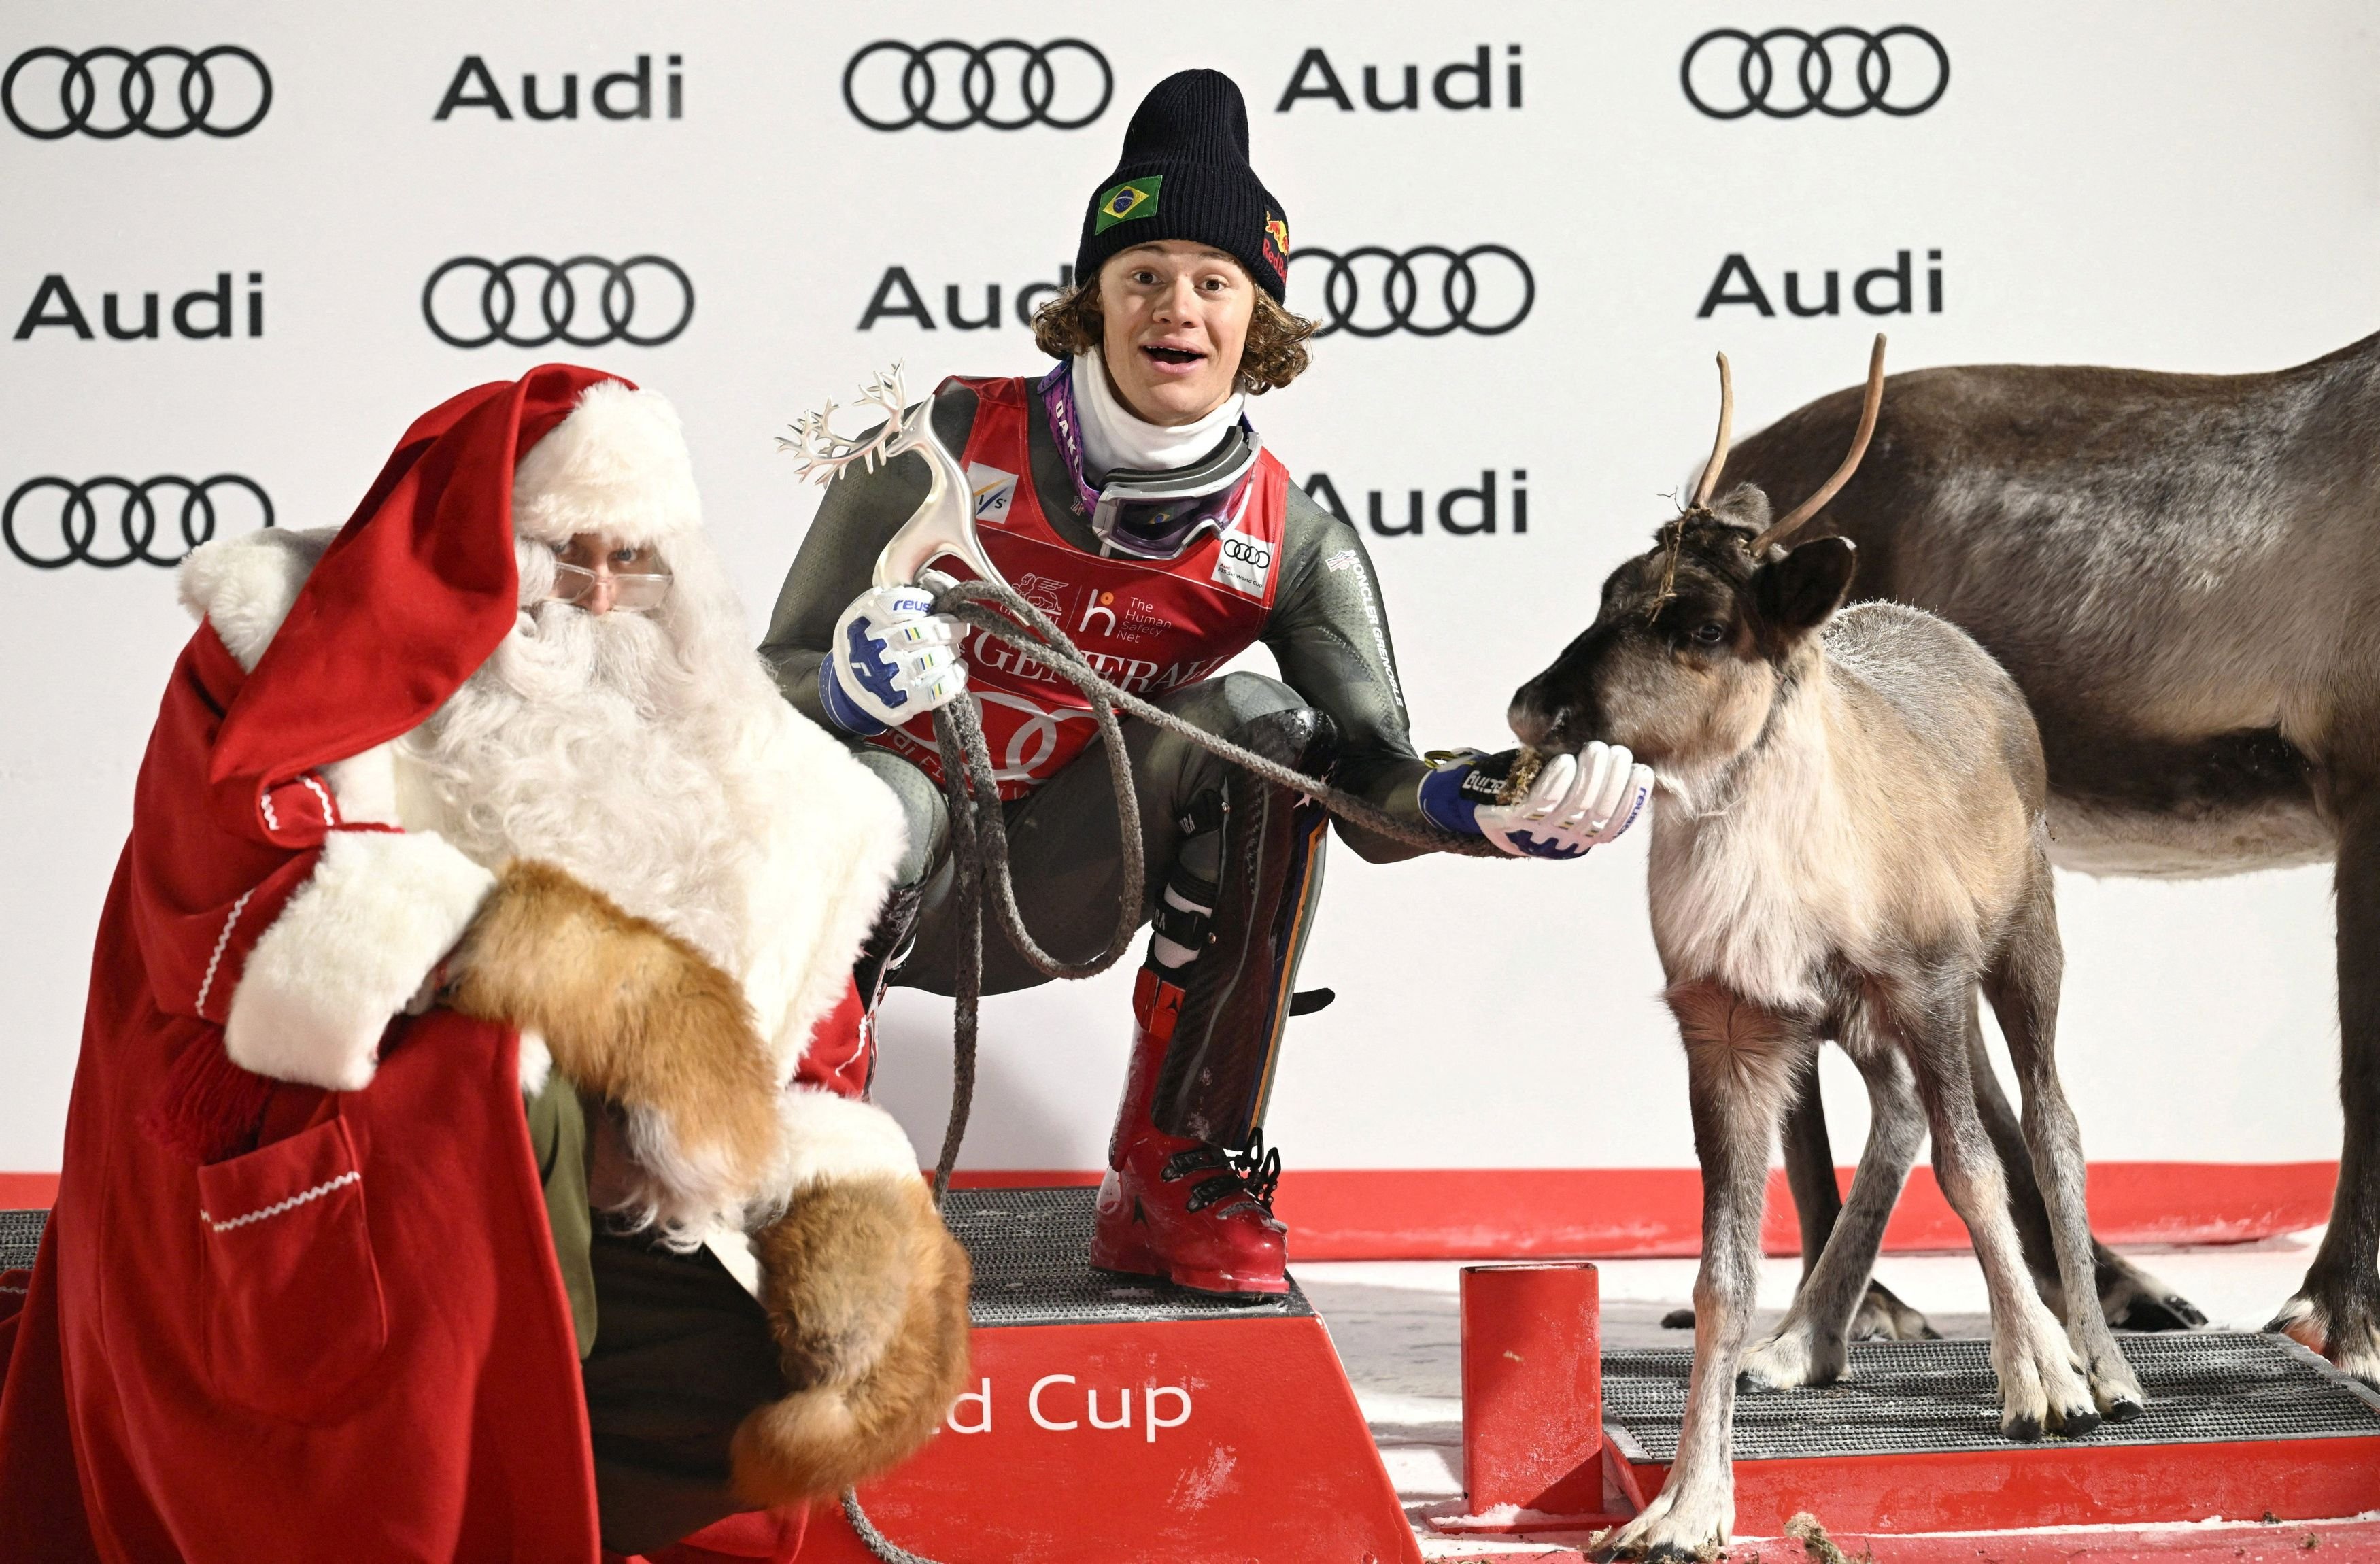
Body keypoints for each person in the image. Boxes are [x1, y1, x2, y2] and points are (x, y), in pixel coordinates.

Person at [0, 367, 966, 1563]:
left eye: (634, 560)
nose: (600, 596)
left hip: (608, 1213)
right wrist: (586, 973)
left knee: (771, 1370)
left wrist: (851, 1216)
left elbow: (804, 1048)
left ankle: (504, 1509)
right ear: (474, 558)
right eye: (565, 556)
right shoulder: (277, 659)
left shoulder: (758, 767)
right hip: (357, 1188)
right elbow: (229, 915)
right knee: (503, 1073)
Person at [762, 69, 1654, 1299]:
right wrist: (842, 691)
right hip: (887, 864)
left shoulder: (1293, 539)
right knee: (880, 787)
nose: (1174, 307)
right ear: (1092, 300)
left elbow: (1369, 781)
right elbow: (768, 681)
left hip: (1067, 882)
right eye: (1142, 274)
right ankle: (812, 1170)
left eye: (1213, 281)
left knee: (1267, 732)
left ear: (1255, 321)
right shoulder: (942, 442)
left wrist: (1481, 805)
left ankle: (1173, 1167)